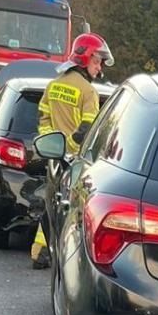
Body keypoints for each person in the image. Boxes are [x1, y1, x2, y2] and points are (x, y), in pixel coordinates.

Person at [30, 33, 114, 269]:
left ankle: (40, 251)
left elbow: (43, 118)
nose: (99, 68)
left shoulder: (54, 85)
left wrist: (53, 145)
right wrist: (73, 149)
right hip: (75, 161)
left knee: (52, 204)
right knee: (73, 211)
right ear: (85, 59)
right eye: (97, 61)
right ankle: (68, 259)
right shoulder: (88, 91)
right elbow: (87, 129)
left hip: (53, 157)